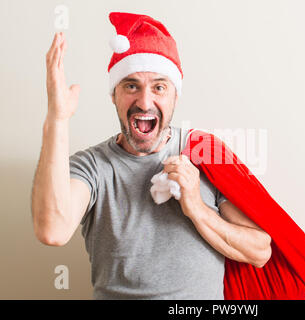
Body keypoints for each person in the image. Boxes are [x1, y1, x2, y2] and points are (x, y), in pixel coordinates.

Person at [31, 12, 272, 300]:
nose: (145, 102)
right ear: (114, 95)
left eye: (159, 87)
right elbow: (53, 231)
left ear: (174, 96)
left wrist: (196, 206)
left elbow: (260, 251)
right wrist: (57, 119)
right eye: (131, 85)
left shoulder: (205, 153)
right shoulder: (93, 167)